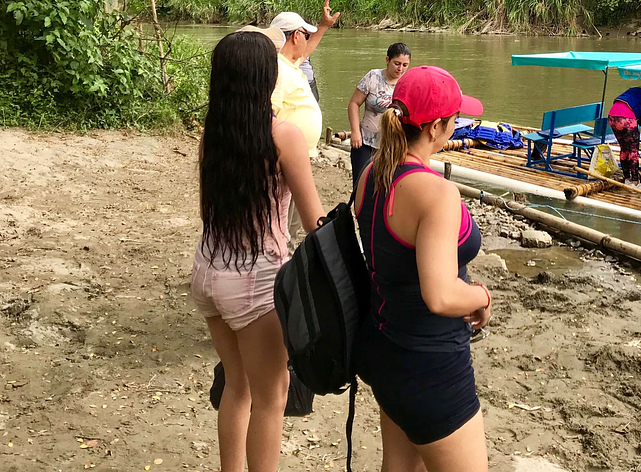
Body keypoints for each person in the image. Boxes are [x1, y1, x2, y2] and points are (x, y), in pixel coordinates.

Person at [190, 28, 326, 472]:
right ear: (265, 79)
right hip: (254, 282)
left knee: (237, 386)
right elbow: (313, 222)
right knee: (272, 398)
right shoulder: (282, 136)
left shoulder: (213, 136)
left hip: (208, 272)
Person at [353, 66, 490, 472]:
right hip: (431, 365)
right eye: (454, 120)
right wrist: (482, 296)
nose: (456, 126)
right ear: (434, 128)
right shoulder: (437, 193)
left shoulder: (371, 174)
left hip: (384, 349)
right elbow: (441, 294)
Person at [269, 10, 332, 240]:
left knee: (293, 216)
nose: (306, 41)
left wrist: (323, 26)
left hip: (297, 157)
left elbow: (306, 51)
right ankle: (281, 256)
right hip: (285, 160)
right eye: (305, 35)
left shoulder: (289, 63)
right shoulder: (278, 68)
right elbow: (269, 114)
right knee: (285, 215)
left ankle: (286, 249)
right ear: (296, 36)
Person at [347, 42, 412, 187]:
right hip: (365, 140)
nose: (400, 69)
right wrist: (355, 131)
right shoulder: (373, 77)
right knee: (360, 184)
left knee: (385, 186)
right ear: (387, 60)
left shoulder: (408, 83)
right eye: (397, 63)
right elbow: (354, 104)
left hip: (391, 144)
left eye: (405, 65)